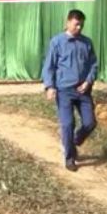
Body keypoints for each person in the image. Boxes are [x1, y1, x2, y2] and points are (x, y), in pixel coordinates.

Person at [42, 9, 98, 172]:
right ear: (68, 23)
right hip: (64, 90)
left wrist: (88, 81)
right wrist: (50, 86)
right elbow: (49, 66)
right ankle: (70, 157)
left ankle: (74, 141)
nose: (79, 27)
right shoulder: (57, 42)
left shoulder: (86, 43)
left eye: (81, 25)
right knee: (67, 124)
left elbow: (93, 65)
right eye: (76, 24)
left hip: (83, 91)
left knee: (90, 123)